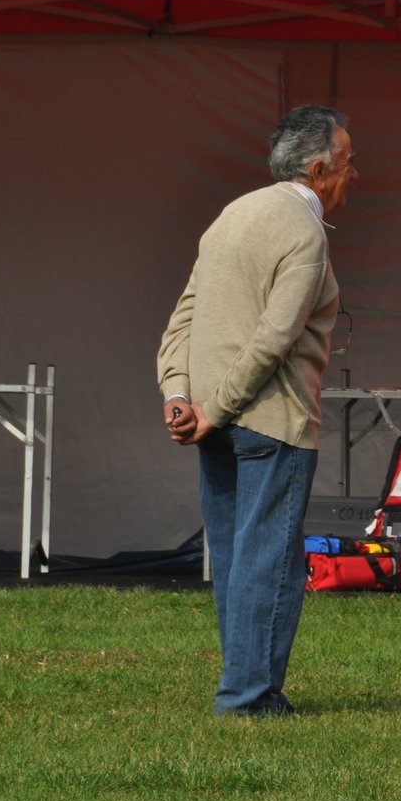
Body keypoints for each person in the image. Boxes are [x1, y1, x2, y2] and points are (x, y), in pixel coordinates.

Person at [157, 104, 357, 717]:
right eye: (349, 165)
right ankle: (246, 698)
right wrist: (214, 409)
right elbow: (276, 336)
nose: (355, 176)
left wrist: (178, 395)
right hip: (268, 420)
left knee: (240, 564)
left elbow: (182, 318)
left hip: (211, 417)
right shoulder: (304, 233)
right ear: (320, 169)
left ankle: (249, 690)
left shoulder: (232, 214)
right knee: (268, 565)